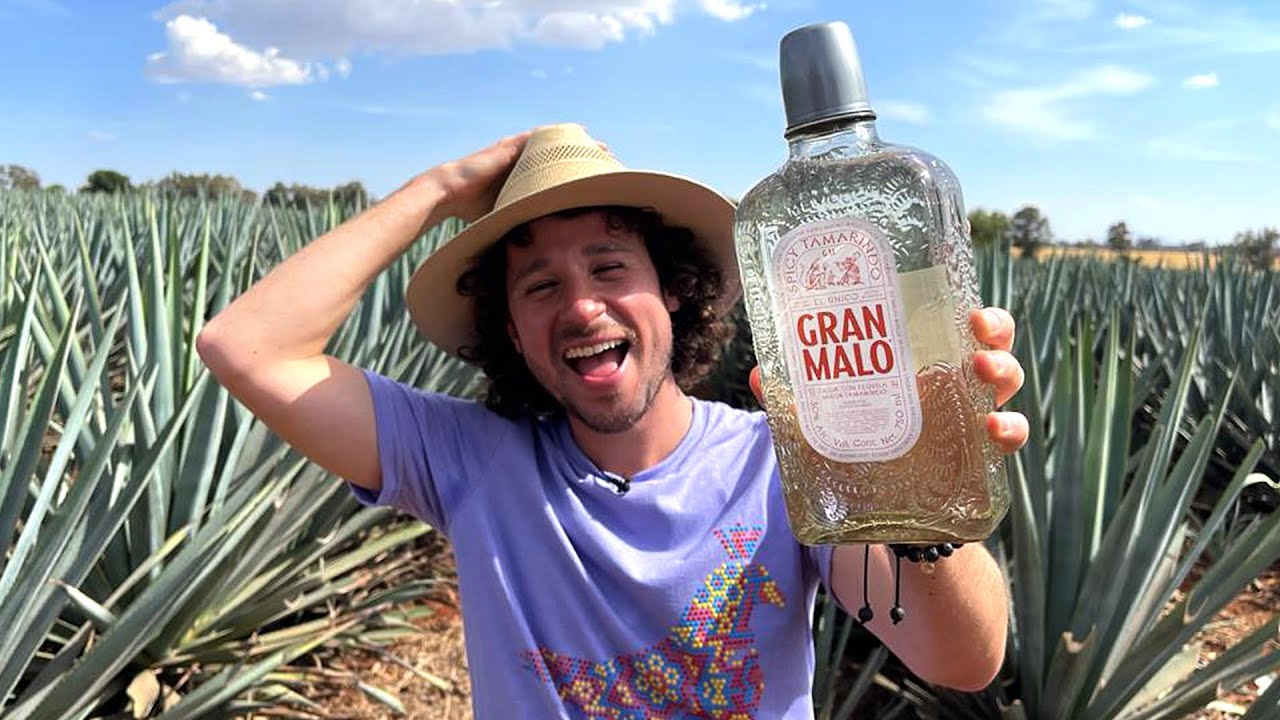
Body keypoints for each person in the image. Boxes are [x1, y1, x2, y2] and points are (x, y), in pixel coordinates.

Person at [197, 123, 1028, 718]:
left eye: (609, 267)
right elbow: (246, 347)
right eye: (540, 286)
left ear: (673, 290)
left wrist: (916, 485)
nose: (582, 306)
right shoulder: (469, 461)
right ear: (510, 330)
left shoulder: (783, 465)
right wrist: (441, 189)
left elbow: (963, 659)